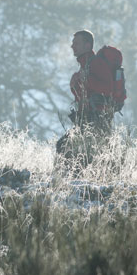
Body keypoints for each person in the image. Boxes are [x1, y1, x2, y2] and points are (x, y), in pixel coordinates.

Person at [55, 30, 116, 172]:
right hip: (86, 119)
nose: (72, 46)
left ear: (88, 45)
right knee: (69, 148)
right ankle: (70, 181)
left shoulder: (97, 63)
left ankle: (68, 182)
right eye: (72, 43)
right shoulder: (85, 64)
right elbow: (83, 95)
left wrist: (84, 79)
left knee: (69, 148)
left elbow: (107, 89)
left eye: (76, 43)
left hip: (97, 119)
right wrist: (74, 84)